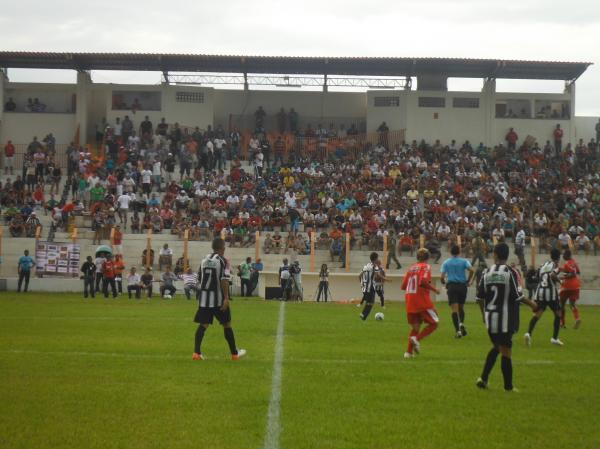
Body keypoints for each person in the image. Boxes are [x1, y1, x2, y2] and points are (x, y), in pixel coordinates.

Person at [475, 243, 538, 391]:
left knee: (497, 347)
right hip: (505, 318)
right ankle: (508, 387)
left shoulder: (487, 272)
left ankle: (483, 379)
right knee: (506, 351)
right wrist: (532, 304)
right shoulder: (510, 272)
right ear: (507, 255)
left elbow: (480, 298)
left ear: (495, 255)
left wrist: (483, 314)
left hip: (490, 318)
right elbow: (518, 296)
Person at [193, 238, 246, 361]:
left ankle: (196, 353)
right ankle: (234, 354)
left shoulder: (204, 259)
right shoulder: (223, 261)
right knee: (227, 324)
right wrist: (226, 298)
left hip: (205, 299)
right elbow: (224, 280)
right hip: (218, 299)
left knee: (203, 325)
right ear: (223, 248)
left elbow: (199, 278)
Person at [401, 249, 441, 358]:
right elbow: (422, 281)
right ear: (428, 258)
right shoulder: (426, 267)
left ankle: (408, 353)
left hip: (410, 300)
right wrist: (435, 289)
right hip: (421, 300)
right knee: (434, 322)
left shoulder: (411, 268)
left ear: (417, 257)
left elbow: (403, 286)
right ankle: (416, 339)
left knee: (416, 328)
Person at [524, 249, 564, 347]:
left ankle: (528, 333)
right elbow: (553, 274)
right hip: (551, 293)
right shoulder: (556, 265)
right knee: (558, 314)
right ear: (558, 257)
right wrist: (560, 281)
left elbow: (537, 276)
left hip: (541, 291)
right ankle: (554, 338)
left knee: (538, 314)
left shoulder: (543, 264)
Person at [440, 245, 474, 338]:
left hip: (452, 286)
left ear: (451, 252)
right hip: (462, 286)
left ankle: (458, 331)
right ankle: (461, 323)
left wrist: (443, 282)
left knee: (454, 310)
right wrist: (468, 280)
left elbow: (442, 277)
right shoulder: (464, 261)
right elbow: (472, 270)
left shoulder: (446, 262)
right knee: (461, 308)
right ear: (459, 252)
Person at [559, 249, 581, 329]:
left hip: (567, 286)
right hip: (576, 286)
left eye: (564, 254)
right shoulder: (574, 262)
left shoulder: (567, 263)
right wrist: (564, 270)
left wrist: (563, 276)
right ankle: (577, 318)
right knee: (572, 304)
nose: (563, 256)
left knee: (561, 304)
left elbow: (573, 273)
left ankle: (562, 323)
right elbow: (578, 272)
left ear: (567, 255)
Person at [358, 252, 382, 320]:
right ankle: (363, 316)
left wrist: (362, 284)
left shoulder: (366, 266)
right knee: (371, 302)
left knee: (369, 302)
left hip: (366, 287)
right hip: (371, 287)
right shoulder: (375, 267)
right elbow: (377, 277)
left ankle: (363, 315)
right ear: (375, 259)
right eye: (377, 258)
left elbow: (359, 276)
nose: (378, 259)